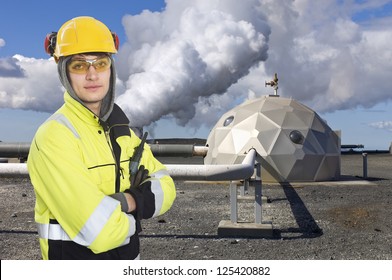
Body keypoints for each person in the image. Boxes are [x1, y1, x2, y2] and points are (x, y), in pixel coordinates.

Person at [27, 16, 176, 260]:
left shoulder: (125, 133)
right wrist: (135, 221)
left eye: (101, 63)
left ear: (111, 69)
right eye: (78, 65)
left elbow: (166, 187)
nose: (92, 74)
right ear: (64, 72)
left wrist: (130, 201)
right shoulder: (54, 137)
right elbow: (101, 232)